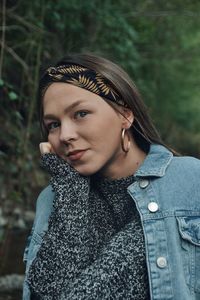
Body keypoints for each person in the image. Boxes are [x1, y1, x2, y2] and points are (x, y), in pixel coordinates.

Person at [23, 53, 200, 300]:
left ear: (125, 115)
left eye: (80, 114)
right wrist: (71, 193)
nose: (65, 135)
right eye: (53, 124)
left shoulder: (191, 180)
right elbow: (45, 295)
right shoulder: (53, 198)